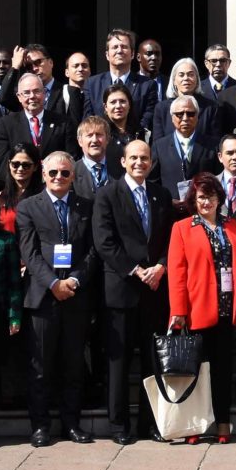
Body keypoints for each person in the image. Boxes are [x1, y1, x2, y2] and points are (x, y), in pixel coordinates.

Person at [92, 140, 175, 444]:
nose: (140, 163)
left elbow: (170, 237)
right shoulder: (107, 194)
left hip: (155, 289)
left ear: (152, 162)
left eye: (145, 158)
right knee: (119, 361)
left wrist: (161, 266)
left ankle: (150, 423)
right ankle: (119, 425)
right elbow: (104, 242)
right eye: (134, 158)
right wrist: (136, 270)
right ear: (123, 162)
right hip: (122, 289)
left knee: (153, 361)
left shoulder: (160, 194)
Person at [17, 151, 96, 447]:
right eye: (53, 173)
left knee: (73, 364)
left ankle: (71, 424)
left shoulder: (86, 206)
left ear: (73, 176)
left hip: (75, 295)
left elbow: (92, 250)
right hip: (42, 296)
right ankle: (40, 426)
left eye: (65, 173)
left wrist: (74, 280)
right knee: (40, 365)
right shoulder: (28, 207)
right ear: (43, 174)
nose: (59, 178)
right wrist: (52, 283)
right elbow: (29, 252)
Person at [167, 172, 236, 444]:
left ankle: (223, 422)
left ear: (219, 198)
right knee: (196, 372)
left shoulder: (233, 226)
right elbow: (177, 273)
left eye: (211, 196)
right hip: (196, 310)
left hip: (227, 309)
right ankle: (194, 425)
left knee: (223, 370)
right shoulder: (182, 228)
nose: (206, 201)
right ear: (194, 199)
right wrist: (178, 310)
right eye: (201, 197)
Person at [0, 73, 78, 179]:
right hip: (19, 188)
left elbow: (71, 158)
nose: (32, 96)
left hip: (53, 185)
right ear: (19, 97)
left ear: (45, 94)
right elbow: (0, 163)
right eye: (27, 93)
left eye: (37, 91)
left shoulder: (63, 123)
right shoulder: (6, 124)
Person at [149, 94, 219, 200]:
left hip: (203, 208)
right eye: (180, 114)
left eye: (190, 114)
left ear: (197, 117)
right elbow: (153, 182)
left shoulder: (213, 145)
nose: (185, 118)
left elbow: (218, 179)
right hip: (171, 210)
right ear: (172, 118)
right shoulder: (159, 146)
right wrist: (167, 201)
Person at [83, 28, 155, 132]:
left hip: (134, 142)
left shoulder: (147, 85)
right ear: (107, 55)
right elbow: (88, 119)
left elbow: (148, 117)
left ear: (132, 54)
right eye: (115, 47)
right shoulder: (91, 84)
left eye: (124, 47)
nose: (119, 50)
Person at [152, 58, 223, 141]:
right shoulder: (161, 108)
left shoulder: (211, 108)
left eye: (191, 74)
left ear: (197, 79)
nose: (186, 78)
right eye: (181, 75)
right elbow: (157, 144)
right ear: (174, 80)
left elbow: (215, 142)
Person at [73, 116, 123, 201]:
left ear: (107, 139)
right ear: (80, 141)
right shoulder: (72, 172)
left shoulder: (121, 169)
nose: (95, 140)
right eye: (89, 135)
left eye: (99, 135)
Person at [0, 144, 43, 233]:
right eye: (15, 164)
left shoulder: (44, 196)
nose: (20, 169)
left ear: (35, 167)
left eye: (26, 165)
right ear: (9, 164)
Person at [101, 83, 149, 167]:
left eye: (122, 101)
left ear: (129, 104)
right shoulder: (100, 133)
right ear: (105, 107)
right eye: (113, 102)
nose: (118, 106)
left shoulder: (139, 132)